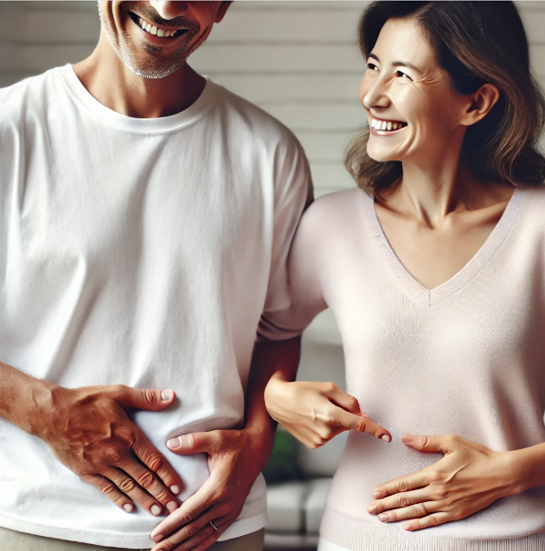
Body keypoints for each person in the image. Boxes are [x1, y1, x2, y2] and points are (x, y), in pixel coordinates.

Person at [0, 2, 312, 551]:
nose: (167, 6)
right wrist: (45, 411)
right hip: (39, 520)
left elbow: (280, 328)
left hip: (220, 528)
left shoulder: (271, 152)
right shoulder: (11, 128)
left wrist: (258, 442)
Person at [261, 2, 545, 550]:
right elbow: (263, 339)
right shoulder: (330, 226)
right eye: (373, 65)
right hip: (355, 539)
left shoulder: (537, 227)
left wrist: (514, 472)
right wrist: (276, 396)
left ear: (477, 101)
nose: (373, 94)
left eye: (403, 74)